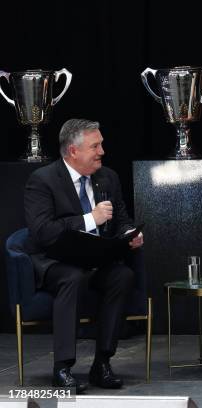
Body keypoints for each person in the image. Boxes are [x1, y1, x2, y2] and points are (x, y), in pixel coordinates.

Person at [23, 119, 144, 393]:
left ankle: (102, 363)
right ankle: (63, 368)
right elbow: (43, 232)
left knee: (122, 276)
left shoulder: (108, 177)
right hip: (56, 262)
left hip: (96, 260)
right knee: (73, 278)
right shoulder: (42, 180)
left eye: (101, 144)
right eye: (95, 146)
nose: (102, 151)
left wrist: (130, 234)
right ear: (73, 151)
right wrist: (91, 218)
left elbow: (122, 219)